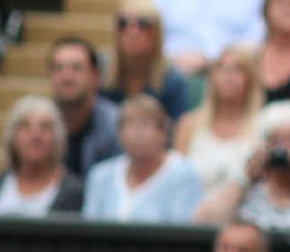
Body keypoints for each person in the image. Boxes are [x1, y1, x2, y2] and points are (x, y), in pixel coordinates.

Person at [192, 100, 290, 232]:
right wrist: (246, 177)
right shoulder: (245, 189)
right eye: (274, 141)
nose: (284, 149)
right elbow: (203, 223)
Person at [83, 94, 205, 224]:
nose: (138, 132)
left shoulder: (184, 175)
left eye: (146, 124)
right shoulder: (100, 175)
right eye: (131, 124)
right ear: (119, 133)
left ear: (163, 133)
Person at [0, 95, 84, 216]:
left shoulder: (73, 192)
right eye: (25, 126)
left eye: (45, 127)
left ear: (57, 138)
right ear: (12, 136)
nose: (35, 135)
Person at [175, 44, 263, 195]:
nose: (228, 76)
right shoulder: (189, 124)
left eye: (237, 69)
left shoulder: (263, 125)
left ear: (250, 79)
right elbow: (177, 180)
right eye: (222, 68)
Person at [100, 0, 191, 121]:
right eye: (123, 23)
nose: (132, 32)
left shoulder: (173, 82)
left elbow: (177, 130)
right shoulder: (100, 74)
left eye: (142, 24)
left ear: (157, 33)